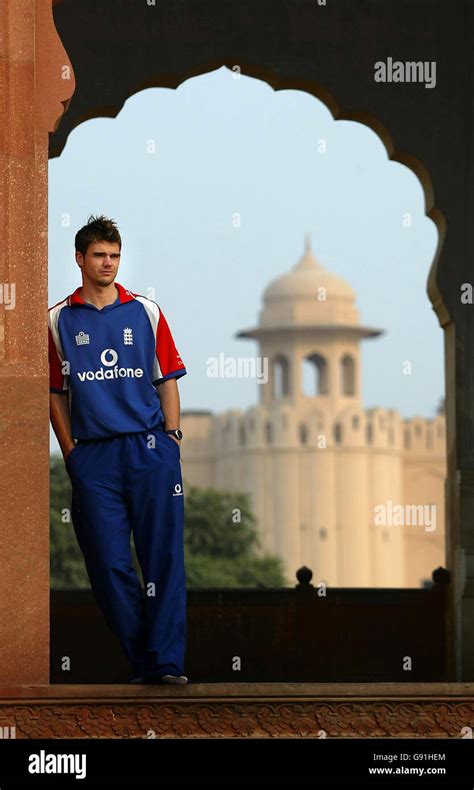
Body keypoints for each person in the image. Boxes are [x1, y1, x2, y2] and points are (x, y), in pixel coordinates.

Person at [48, 214, 188, 684]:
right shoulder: (58, 319)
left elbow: (166, 378)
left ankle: (166, 663)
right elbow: (54, 392)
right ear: (80, 259)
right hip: (95, 456)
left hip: (151, 450)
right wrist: (71, 453)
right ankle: (143, 658)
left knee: (163, 557)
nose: (108, 264)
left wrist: (172, 439)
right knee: (108, 564)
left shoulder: (145, 311)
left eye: (114, 256)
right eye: (99, 256)